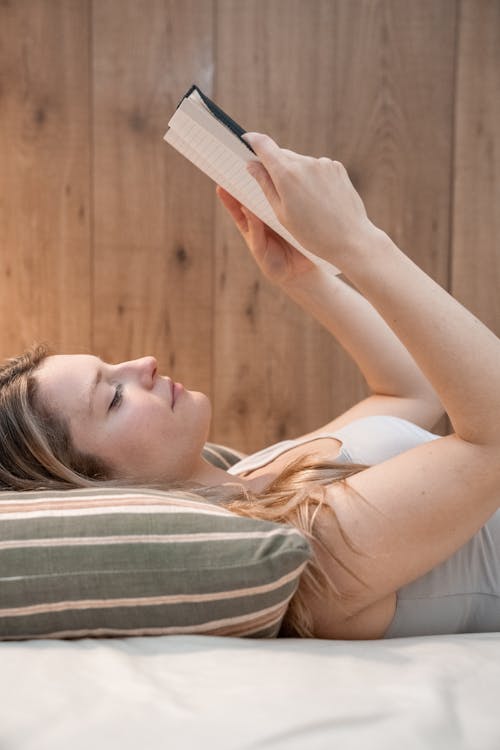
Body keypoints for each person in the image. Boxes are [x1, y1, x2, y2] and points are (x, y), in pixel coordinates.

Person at [1, 132, 499, 641]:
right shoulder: (304, 550)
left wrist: (304, 279)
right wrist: (357, 242)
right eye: (113, 396)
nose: (145, 363)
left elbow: (410, 393)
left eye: (114, 364)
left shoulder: (245, 476)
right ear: (98, 489)